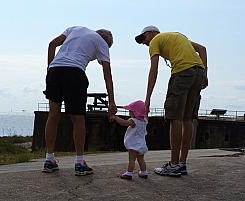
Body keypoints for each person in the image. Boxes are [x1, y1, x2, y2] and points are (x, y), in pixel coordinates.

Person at [42, 26, 117, 176]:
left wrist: (50, 68)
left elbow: (52, 44)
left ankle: (49, 159)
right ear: (106, 40)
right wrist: (112, 101)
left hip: (55, 71)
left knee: (53, 115)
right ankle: (80, 162)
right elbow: (107, 75)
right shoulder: (102, 42)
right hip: (75, 73)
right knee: (78, 119)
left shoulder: (75, 29)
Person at [135, 26, 208, 177]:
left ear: (152, 33)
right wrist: (205, 73)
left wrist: (147, 98)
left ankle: (173, 165)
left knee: (175, 118)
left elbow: (153, 70)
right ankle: (182, 164)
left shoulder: (156, 40)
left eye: (144, 38)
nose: (145, 43)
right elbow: (202, 49)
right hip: (198, 72)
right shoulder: (178, 36)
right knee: (187, 119)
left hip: (182, 73)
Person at [110, 100, 148, 180]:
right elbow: (145, 114)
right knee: (140, 158)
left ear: (135, 112)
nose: (129, 112)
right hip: (142, 144)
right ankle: (144, 172)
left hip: (134, 145)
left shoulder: (133, 121)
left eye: (131, 111)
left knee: (132, 159)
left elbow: (124, 123)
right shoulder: (144, 121)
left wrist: (116, 118)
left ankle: (129, 173)